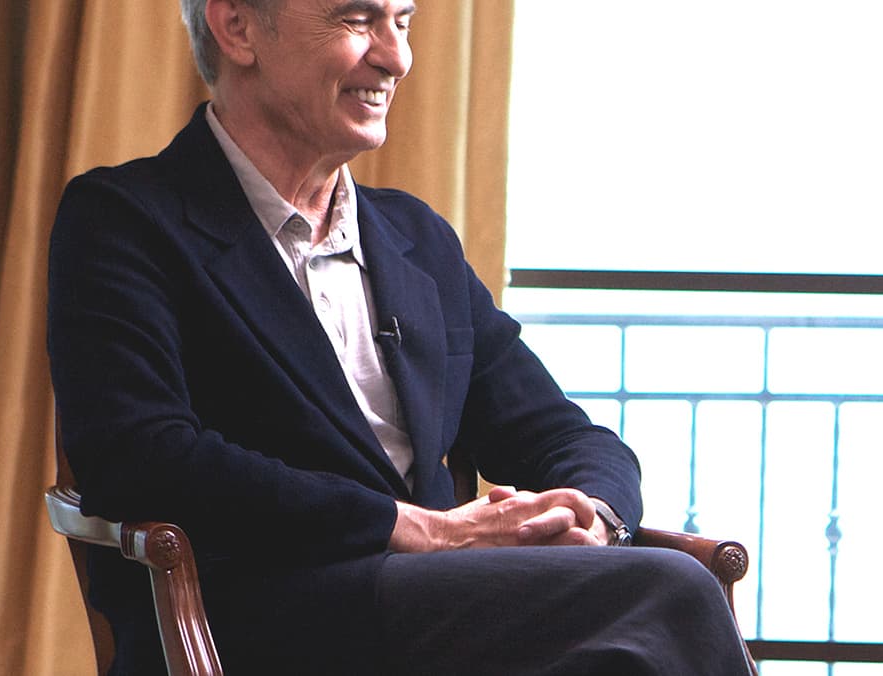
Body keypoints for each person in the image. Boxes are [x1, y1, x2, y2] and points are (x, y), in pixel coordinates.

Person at [45, 0, 753, 673]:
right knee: (670, 594)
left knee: (638, 627)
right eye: (358, 18)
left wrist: (590, 520)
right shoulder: (124, 221)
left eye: (403, 21)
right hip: (259, 617)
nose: (397, 57)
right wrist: (424, 529)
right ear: (237, 27)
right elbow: (141, 458)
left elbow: (563, 434)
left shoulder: (416, 238)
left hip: (439, 611)